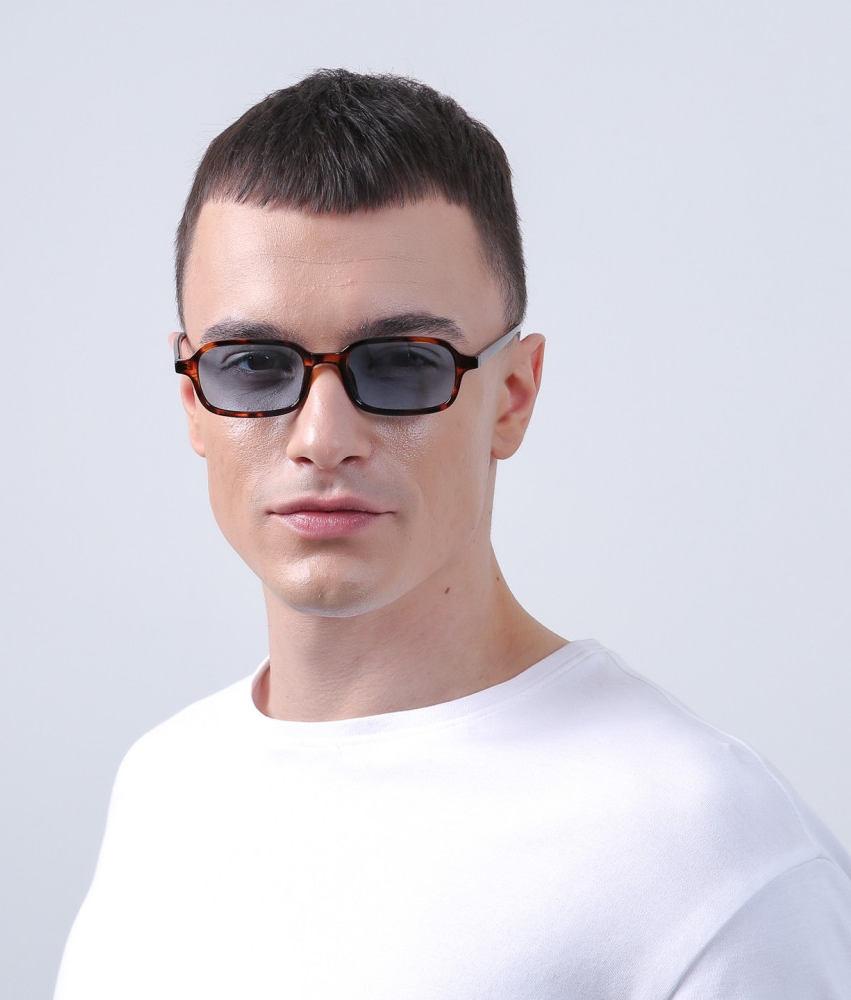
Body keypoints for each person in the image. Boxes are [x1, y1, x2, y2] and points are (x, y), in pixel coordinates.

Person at [55, 69, 851, 998]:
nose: (322, 438)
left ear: (512, 396)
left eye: (401, 365)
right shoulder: (166, 781)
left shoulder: (708, 853)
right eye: (254, 365)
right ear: (193, 400)